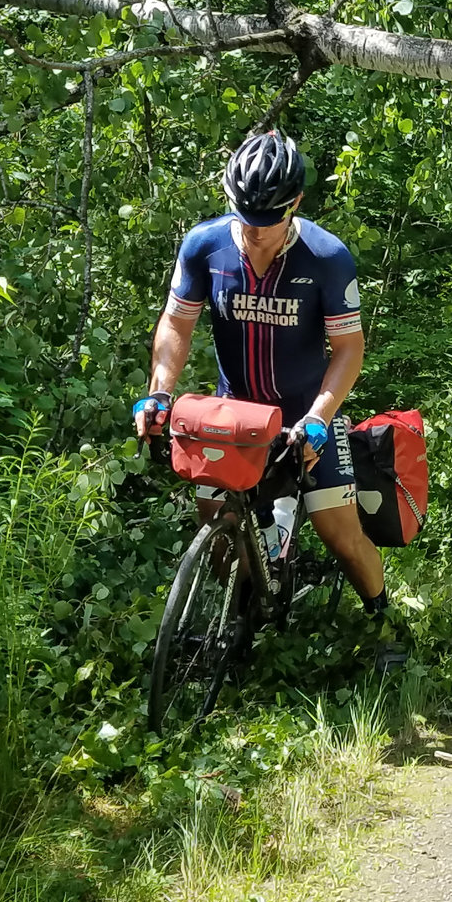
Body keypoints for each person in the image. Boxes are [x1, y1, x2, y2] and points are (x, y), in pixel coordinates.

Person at [133, 132, 389, 621]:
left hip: (308, 414)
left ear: (296, 203)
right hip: (235, 416)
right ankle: (243, 629)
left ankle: (385, 621)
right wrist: (159, 393)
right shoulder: (204, 246)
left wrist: (320, 414)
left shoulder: (326, 257)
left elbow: (349, 348)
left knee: (340, 534)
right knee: (222, 540)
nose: (254, 232)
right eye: (246, 218)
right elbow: (176, 323)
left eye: (268, 222)